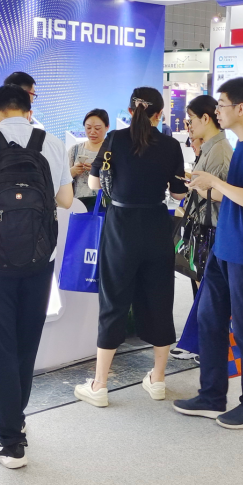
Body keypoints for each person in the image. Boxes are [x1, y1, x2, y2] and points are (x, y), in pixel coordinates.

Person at [0, 84, 73, 469]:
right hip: (41, 259)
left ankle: (9, 442)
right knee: (26, 342)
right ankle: (16, 420)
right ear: (28, 111)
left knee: (0, 345)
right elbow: (65, 200)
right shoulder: (52, 143)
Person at [173, 77, 243, 431]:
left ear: (240, 108)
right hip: (225, 246)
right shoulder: (241, 144)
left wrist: (215, 182)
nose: (217, 111)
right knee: (209, 319)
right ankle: (211, 395)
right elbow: (235, 195)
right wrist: (204, 186)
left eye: (221, 105)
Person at [73, 87, 188, 408]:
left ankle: (99, 385)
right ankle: (158, 379)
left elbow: (94, 183)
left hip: (120, 227)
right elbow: (178, 194)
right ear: (159, 114)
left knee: (113, 302)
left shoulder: (114, 140)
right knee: (160, 300)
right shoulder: (170, 145)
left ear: (129, 110)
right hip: (156, 228)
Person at [180, 94, 233, 294]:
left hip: (210, 232)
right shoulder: (210, 147)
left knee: (208, 294)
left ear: (205, 118)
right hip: (202, 229)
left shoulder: (220, 151)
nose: (189, 125)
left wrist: (195, 186)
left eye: (191, 119)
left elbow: (223, 194)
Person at [69, 108, 110, 212]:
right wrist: (73, 171)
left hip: (104, 204)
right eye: (88, 128)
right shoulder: (75, 150)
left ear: (107, 127)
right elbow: (62, 178)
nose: (92, 132)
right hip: (78, 204)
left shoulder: (111, 151)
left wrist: (97, 171)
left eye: (97, 128)